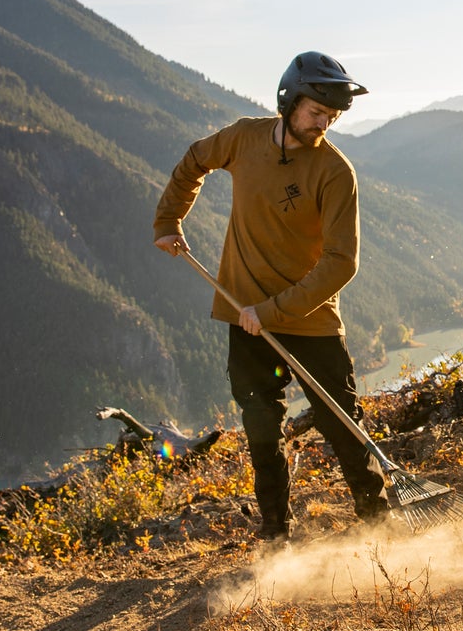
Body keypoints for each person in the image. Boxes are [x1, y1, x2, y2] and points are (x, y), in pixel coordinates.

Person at [153, 50, 385, 540]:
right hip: (245, 317)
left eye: (332, 117)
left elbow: (342, 262)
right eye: (316, 113)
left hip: (310, 321)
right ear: (290, 100)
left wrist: (274, 310)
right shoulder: (243, 138)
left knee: (344, 428)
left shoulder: (335, 172)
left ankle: (380, 531)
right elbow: (195, 160)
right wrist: (168, 221)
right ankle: (276, 537)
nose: (324, 124)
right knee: (262, 433)